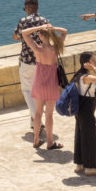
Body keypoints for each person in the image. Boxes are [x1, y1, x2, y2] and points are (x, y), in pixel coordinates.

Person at [21, 22, 67, 150]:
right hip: (52, 83)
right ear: (50, 35)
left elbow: (24, 33)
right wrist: (52, 28)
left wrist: (39, 28)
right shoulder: (56, 48)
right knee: (49, 114)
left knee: (37, 113)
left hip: (39, 83)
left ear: (40, 36)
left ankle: (36, 140)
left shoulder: (37, 49)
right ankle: (50, 142)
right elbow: (65, 31)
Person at [13, 0, 50, 133]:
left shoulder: (23, 21)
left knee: (27, 90)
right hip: (42, 61)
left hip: (27, 61)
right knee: (38, 91)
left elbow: (16, 36)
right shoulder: (45, 21)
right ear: (38, 7)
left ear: (28, 7)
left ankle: (37, 119)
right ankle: (33, 122)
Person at [71, 51, 96, 176]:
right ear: (86, 63)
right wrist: (94, 69)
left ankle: (80, 164)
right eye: (93, 60)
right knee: (90, 138)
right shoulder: (86, 76)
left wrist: (95, 89)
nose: (95, 62)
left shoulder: (78, 75)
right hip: (86, 111)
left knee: (80, 136)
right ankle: (91, 167)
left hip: (80, 110)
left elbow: (82, 90)